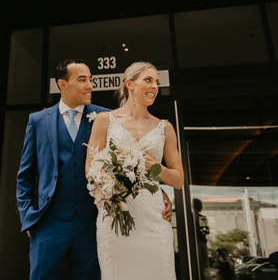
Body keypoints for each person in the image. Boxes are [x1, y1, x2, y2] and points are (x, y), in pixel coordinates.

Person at [17, 59, 173, 280]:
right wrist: (28, 217)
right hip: (48, 222)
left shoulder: (108, 118)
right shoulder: (38, 120)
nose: (90, 85)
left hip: (91, 221)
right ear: (63, 84)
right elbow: (25, 175)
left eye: (91, 79)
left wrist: (158, 192)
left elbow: (132, 159)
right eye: (83, 80)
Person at [86, 62, 184, 280]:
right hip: (115, 217)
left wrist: (154, 168)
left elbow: (178, 180)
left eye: (157, 82)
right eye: (148, 80)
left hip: (154, 218)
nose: (154, 86)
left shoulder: (165, 128)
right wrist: (109, 187)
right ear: (129, 84)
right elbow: (90, 169)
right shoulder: (105, 120)